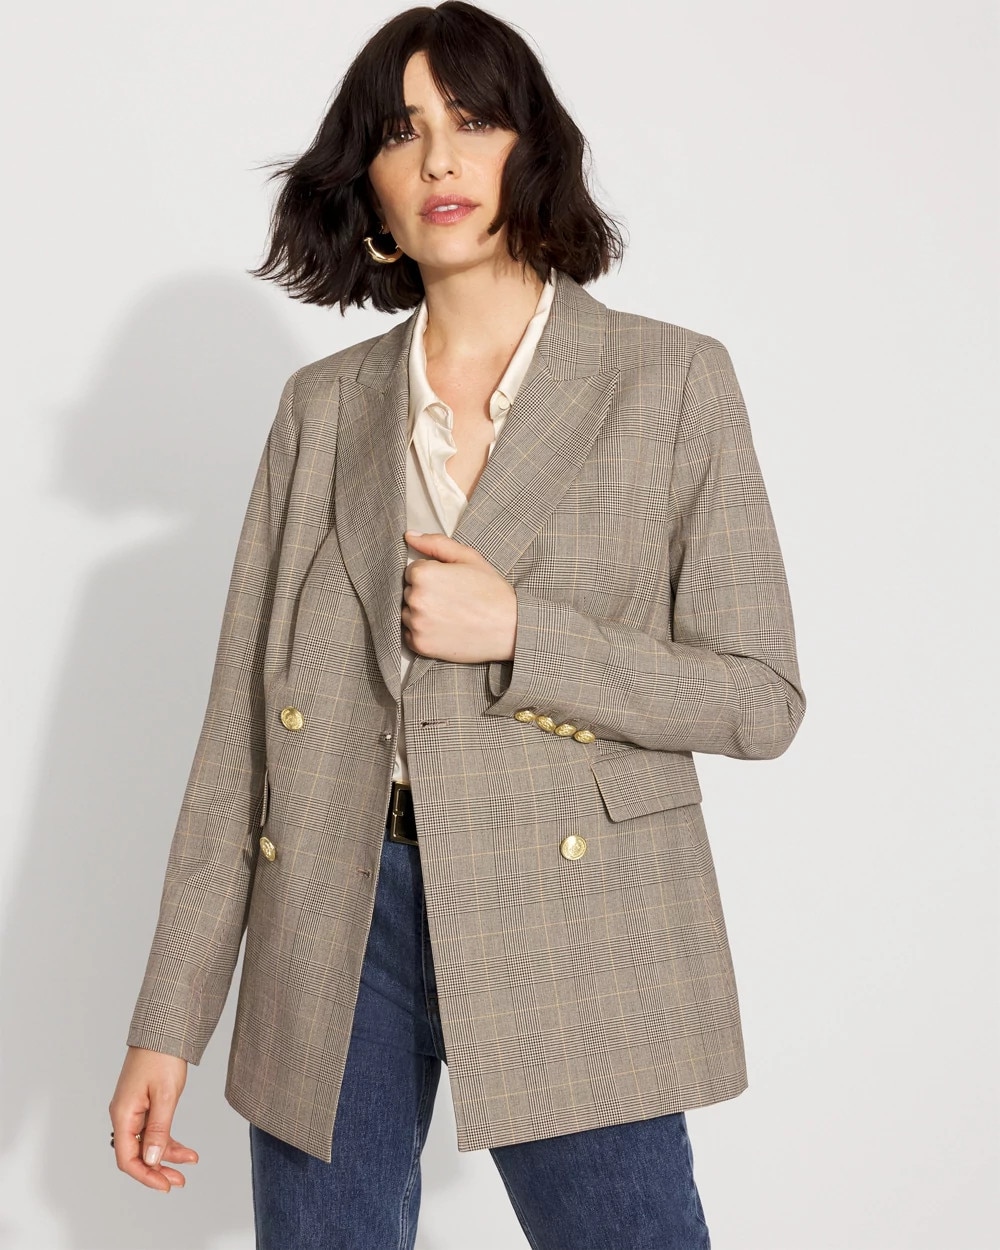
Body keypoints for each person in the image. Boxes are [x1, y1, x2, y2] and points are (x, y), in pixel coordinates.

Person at [109, 3, 805, 1246]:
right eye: (401, 131)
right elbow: (236, 745)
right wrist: (168, 1021)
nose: (439, 158)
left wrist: (524, 630)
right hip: (337, 913)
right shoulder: (321, 408)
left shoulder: (670, 380)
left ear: (530, 150)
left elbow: (759, 697)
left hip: (573, 917)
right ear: (368, 189)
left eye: (473, 121)